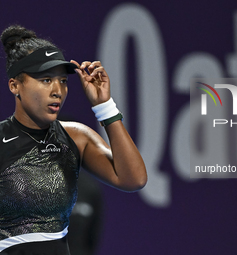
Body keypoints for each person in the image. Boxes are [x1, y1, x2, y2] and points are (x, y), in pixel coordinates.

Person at [0, 25, 147, 254]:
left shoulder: (75, 137)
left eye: (63, 81)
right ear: (15, 85)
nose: (57, 90)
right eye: (46, 80)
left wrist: (104, 107)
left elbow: (134, 179)